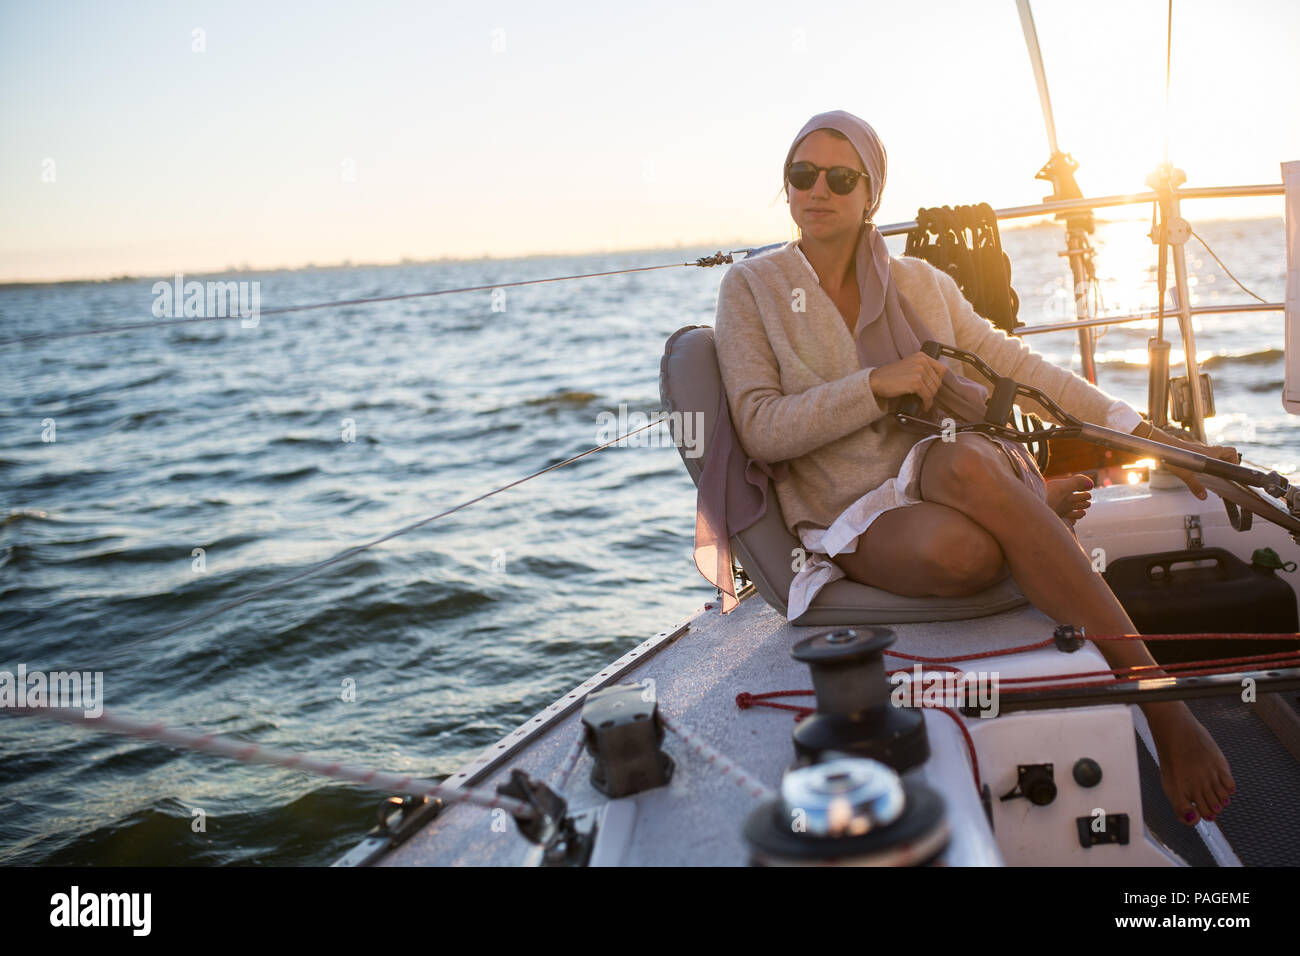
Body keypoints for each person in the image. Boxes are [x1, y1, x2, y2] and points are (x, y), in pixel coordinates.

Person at [713, 109, 1237, 827]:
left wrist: (1143, 430)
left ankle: (1163, 707)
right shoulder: (753, 288)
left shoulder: (921, 283)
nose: (818, 190)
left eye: (842, 177)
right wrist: (877, 385)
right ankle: (1028, 505)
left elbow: (1018, 367)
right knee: (969, 554)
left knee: (963, 463)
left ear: (872, 193)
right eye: (802, 175)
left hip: (944, 465)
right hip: (849, 506)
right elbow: (762, 428)